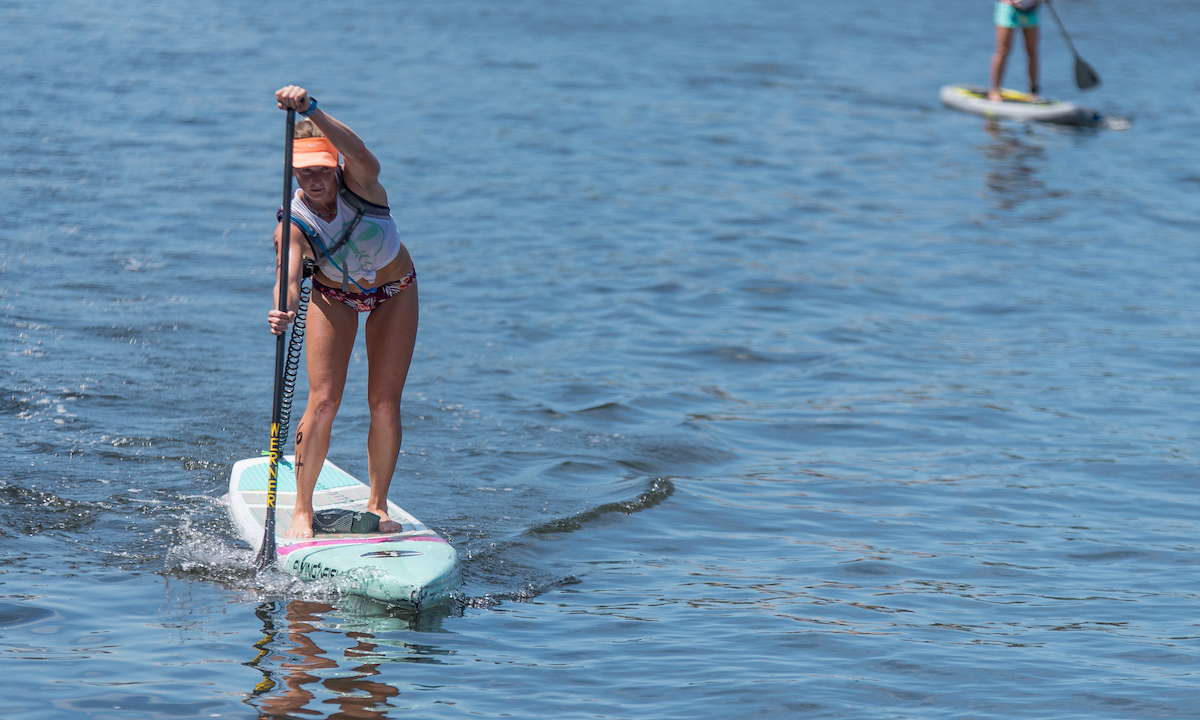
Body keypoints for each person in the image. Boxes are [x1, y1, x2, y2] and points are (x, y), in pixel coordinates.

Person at [267, 85, 418, 538]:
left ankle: (378, 506)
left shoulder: (363, 183)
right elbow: (289, 279)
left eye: (319, 169)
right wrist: (284, 309)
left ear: (334, 165)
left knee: (385, 404)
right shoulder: (292, 224)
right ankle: (301, 510)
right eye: (301, 173)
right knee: (324, 401)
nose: (311, 181)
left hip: (395, 290)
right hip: (334, 296)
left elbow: (361, 151)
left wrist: (311, 110)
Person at [988, 0, 1049, 102]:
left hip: (1030, 10)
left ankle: (1033, 91)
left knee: (1032, 51)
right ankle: (995, 91)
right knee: (1003, 50)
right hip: (1008, 8)